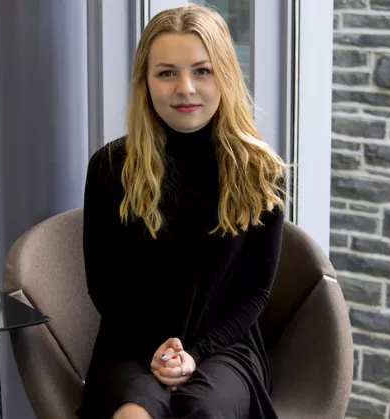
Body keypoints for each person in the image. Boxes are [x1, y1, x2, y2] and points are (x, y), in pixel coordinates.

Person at [79, 4, 286, 418]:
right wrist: (154, 349)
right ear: (146, 83)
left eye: (202, 71)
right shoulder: (109, 167)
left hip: (224, 345)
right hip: (132, 342)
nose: (185, 88)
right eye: (167, 72)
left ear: (225, 75)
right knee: (134, 414)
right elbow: (105, 286)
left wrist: (196, 352)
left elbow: (254, 292)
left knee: (203, 412)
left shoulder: (259, 171)